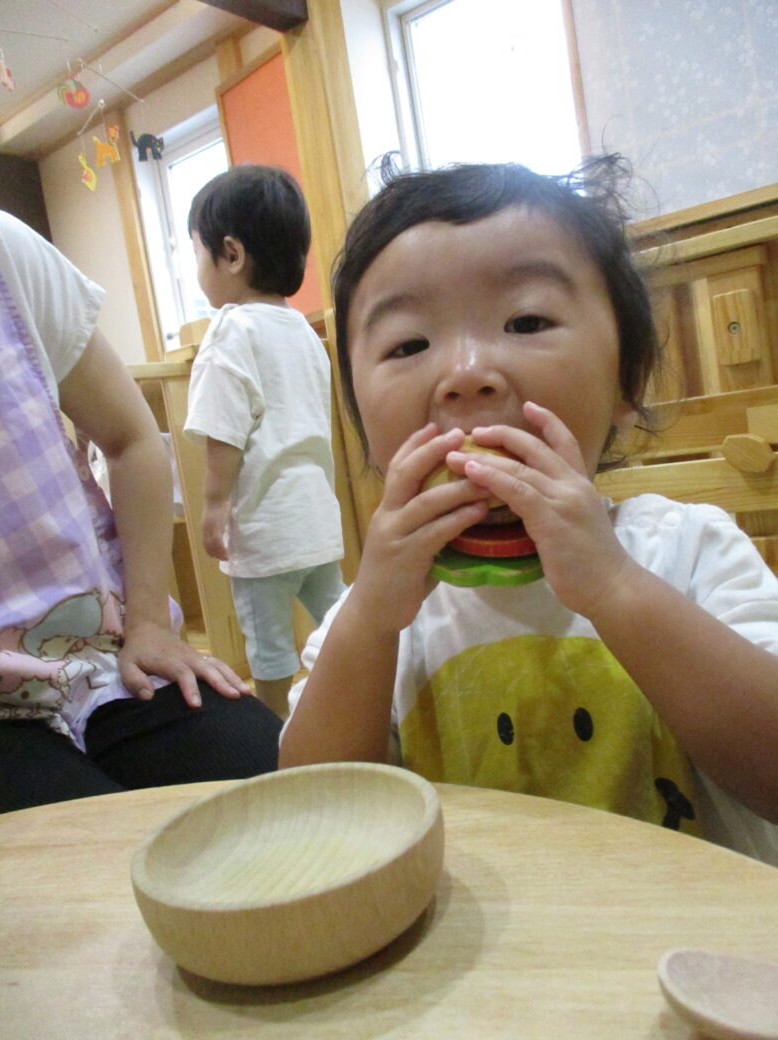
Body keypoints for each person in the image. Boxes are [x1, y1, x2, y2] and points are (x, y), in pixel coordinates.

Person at [279, 155, 778, 866]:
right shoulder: (376, 621)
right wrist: (368, 621)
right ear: (363, 422)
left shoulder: (685, 551)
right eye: (409, 344)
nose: (466, 373)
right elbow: (309, 819)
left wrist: (614, 586)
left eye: (527, 319)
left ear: (625, 382)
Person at [0, 210, 282, 815]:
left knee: (282, 774)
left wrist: (149, 618)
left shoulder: (6, 252)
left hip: (102, 661)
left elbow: (143, 438)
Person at [184, 165, 345, 719]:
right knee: (343, 631)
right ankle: (362, 711)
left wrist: (212, 506)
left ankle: (274, 735)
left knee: (270, 655)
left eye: (198, 254)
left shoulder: (231, 330)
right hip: (317, 521)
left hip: (264, 531)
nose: (198, 270)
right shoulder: (303, 330)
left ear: (231, 254)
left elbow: (225, 429)